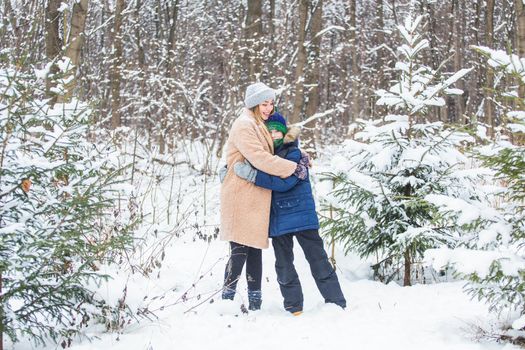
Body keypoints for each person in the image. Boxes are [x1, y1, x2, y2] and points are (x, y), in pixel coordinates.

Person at [233, 113, 346, 315]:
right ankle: (294, 307)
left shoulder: (294, 153)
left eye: (278, 130)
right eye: (270, 130)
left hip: (301, 217)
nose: (274, 134)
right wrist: (229, 172)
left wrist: (253, 176)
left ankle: (336, 302)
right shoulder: (262, 156)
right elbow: (244, 161)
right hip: (278, 220)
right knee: (284, 266)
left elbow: (284, 182)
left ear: (285, 132)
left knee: (318, 261)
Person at [220, 82, 308, 311]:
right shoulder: (244, 125)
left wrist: (300, 153)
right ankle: (225, 301)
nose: (269, 108)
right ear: (253, 104)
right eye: (264, 104)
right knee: (239, 249)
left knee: (254, 249)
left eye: (270, 103)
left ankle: (255, 303)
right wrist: (292, 167)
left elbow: (277, 147)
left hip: (257, 193)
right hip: (241, 194)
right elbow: (259, 157)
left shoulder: (259, 123)